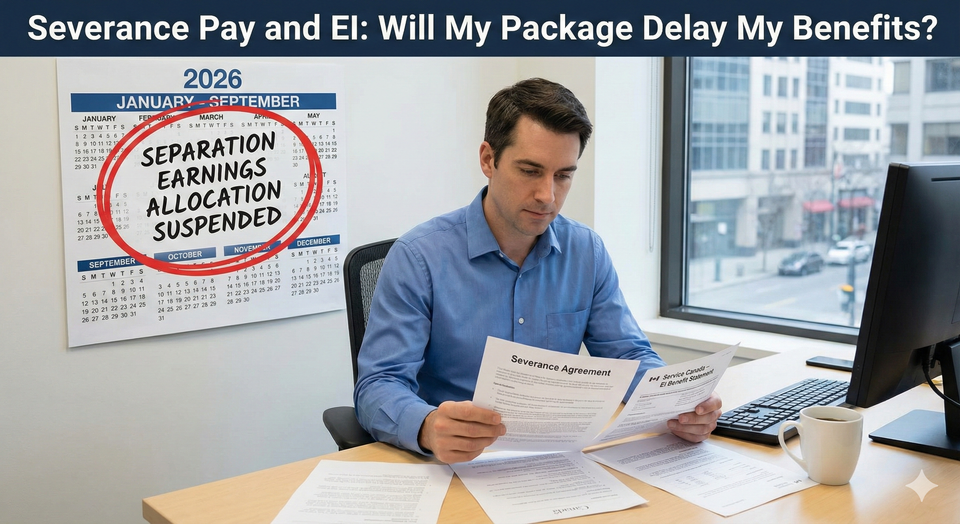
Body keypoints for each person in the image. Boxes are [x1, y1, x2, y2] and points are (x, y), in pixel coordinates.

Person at [354, 78, 721, 464]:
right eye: (530, 171)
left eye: (563, 175)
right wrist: (428, 426)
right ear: (488, 160)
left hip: (555, 460)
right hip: (456, 466)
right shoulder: (418, 257)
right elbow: (378, 386)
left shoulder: (586, 251)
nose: (548, 195)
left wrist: (678, 404)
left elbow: (628, 354)